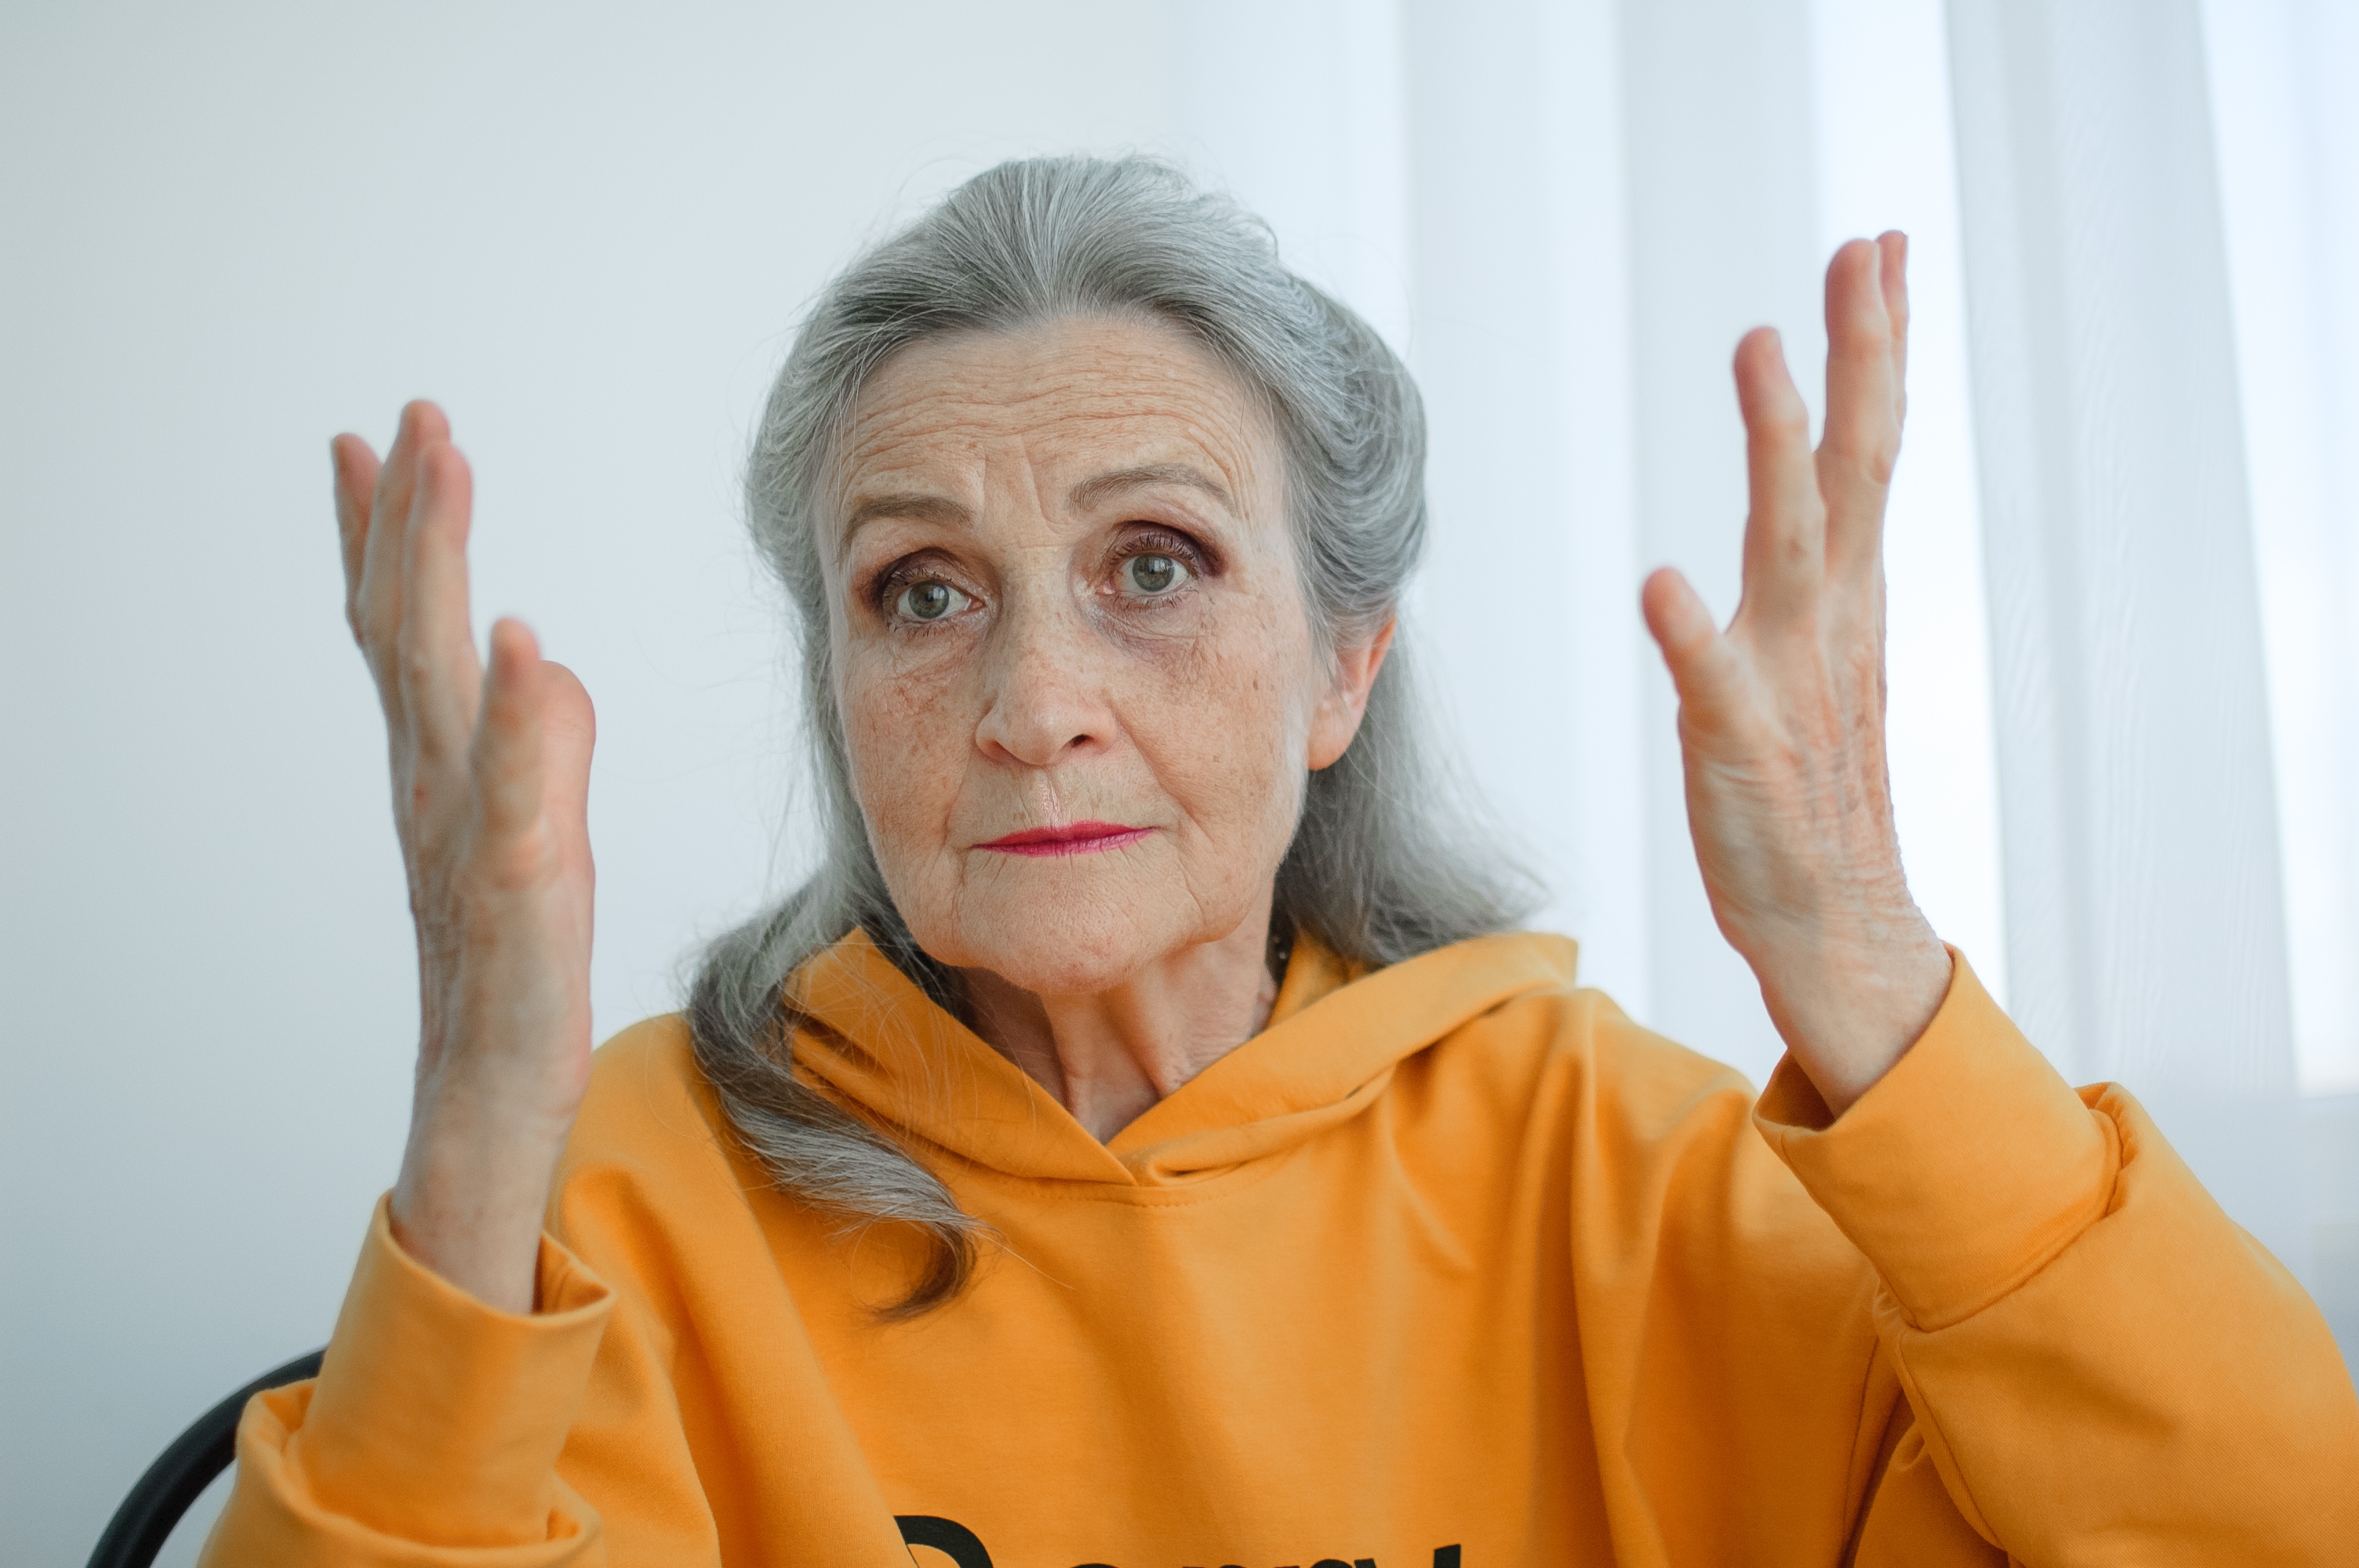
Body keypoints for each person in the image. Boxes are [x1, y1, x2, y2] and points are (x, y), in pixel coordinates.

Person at [201, 157, 2357, 1567]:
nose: (1034, 697)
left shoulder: (1617, 1168)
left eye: (1153, 563)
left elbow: (2272, 1528)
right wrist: (482, 1129)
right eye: (922, 593)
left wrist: (1873, 971)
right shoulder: (630, 1187)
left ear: (1344, 665)